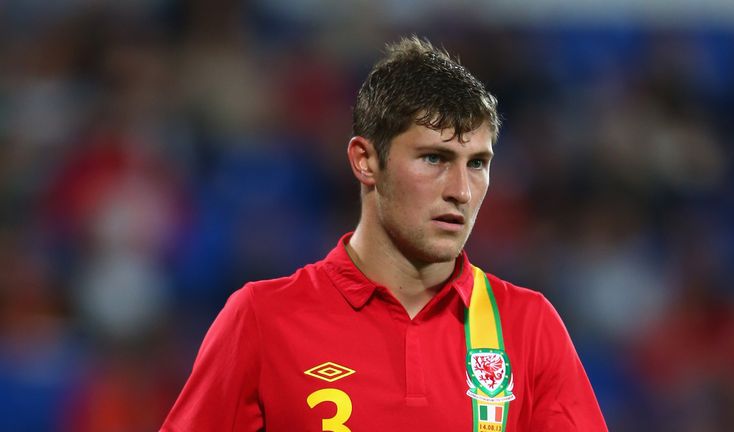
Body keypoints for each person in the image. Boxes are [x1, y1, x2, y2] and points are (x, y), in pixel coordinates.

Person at [161, 36, 607, 432]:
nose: (461, 191)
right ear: (365, 161)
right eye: (434, 158)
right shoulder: (261, 320)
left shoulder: (529, 327)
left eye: (477, 163)